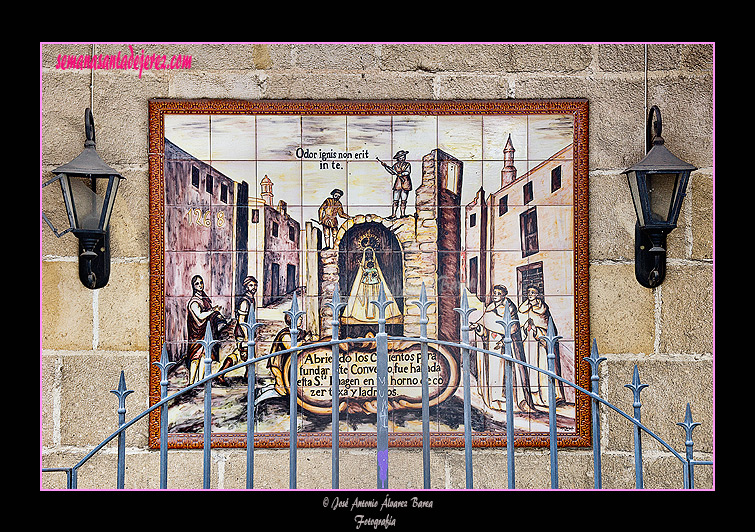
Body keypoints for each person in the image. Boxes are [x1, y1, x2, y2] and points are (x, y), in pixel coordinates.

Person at [471, 284, 537, 413]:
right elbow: (484, 327)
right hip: (491, 344)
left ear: (504, 295)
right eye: (494, 293)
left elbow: (514, 328)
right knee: (494, 371)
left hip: (506, 345)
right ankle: (494, 401)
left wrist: (504, 341)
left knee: (505, 372)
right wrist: (478, 328)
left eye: (498, 293)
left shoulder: (510, 308)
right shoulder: (490, 308)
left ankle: (509, 402)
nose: (495, 295)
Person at [518, 286, 567, 407]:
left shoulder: (543, 309)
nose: (530, 294)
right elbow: (521, 324)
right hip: (528, 342)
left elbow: (547, 327)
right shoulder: (524, 308)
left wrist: (537, 331)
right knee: (531, 370)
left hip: (540, 345)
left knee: (543, 369)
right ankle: (534, 399)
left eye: (533, 292)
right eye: (528, 292)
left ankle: (546, 398)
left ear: (537, 294)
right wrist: (526, 328)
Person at [216, 276, 258, 386]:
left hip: (248, 332)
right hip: (243, 333)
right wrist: (247, 336)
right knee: (241, 354)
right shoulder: (245, 302)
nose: (253, 288)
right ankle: (221, 374)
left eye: (255, 285)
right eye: (251, 285)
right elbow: (241, 321)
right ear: (246, 287)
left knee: (248, 354)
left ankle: (248, 376)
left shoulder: (251, 299)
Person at [186, 275, 227, 385]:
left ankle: (200, 381)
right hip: (197, 333)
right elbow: (200, 316)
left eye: (201, 282)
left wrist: (216, 315)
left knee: (204, 356)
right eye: (197, 284)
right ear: (193, 286)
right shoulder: (194, 302)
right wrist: (213, 311)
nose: (200, 285)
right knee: (195, 357)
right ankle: (191, 382)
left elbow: (209, 313)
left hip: (206, 332)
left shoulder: (204, 298)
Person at [378, 150, 412, 219]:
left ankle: (402, 214)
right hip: (398, 183)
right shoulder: (396, 165)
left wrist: (401, 174)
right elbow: (392, 172)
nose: (403, 158)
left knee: (403, 200)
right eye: (401, 157)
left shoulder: (407, 164)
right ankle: (393, 215)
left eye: (403, 156)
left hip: (405, 183)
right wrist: (386, 167)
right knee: (395, 200)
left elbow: (407, 172)